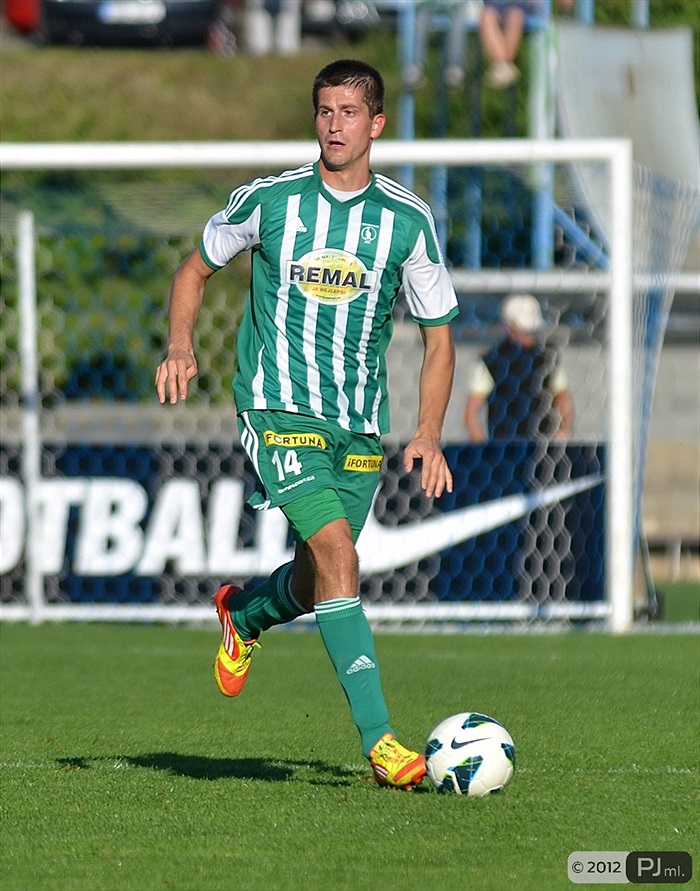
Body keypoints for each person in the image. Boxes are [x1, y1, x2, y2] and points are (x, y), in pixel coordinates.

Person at [155, 59, 459, 790]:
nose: (333, 124)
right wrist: (179, 344)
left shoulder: (407, 221)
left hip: (358, 426)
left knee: (318, 574)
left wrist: (427, 431)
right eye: (324, 111)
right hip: (277, 409)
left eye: (349, 112)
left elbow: (440, 334)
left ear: (376, 124)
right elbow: (193, 269)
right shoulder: (273, 201)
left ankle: (245, 612)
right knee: (338, 557)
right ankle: (382, 740)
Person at [463, 293, 574, 441]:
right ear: (509, 327)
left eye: (530, 332)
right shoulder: (493, 361)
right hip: (504, 447)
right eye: (523, 331)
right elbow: (471, 413)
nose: (528, 337)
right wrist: (484, 448)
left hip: (541, 447)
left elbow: (563, 396)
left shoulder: (548, 358)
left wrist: (564, 430)